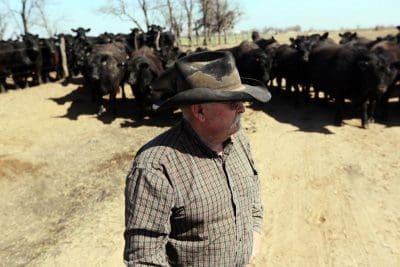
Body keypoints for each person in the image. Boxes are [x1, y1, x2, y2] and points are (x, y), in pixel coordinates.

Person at [124, 51, 271, 266]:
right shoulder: (155, 167)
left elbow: (253, 189)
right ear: (200, 111)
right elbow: (144, 258)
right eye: (233, 103)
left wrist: (255, 233)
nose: (243, 109)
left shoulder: (238, 139)